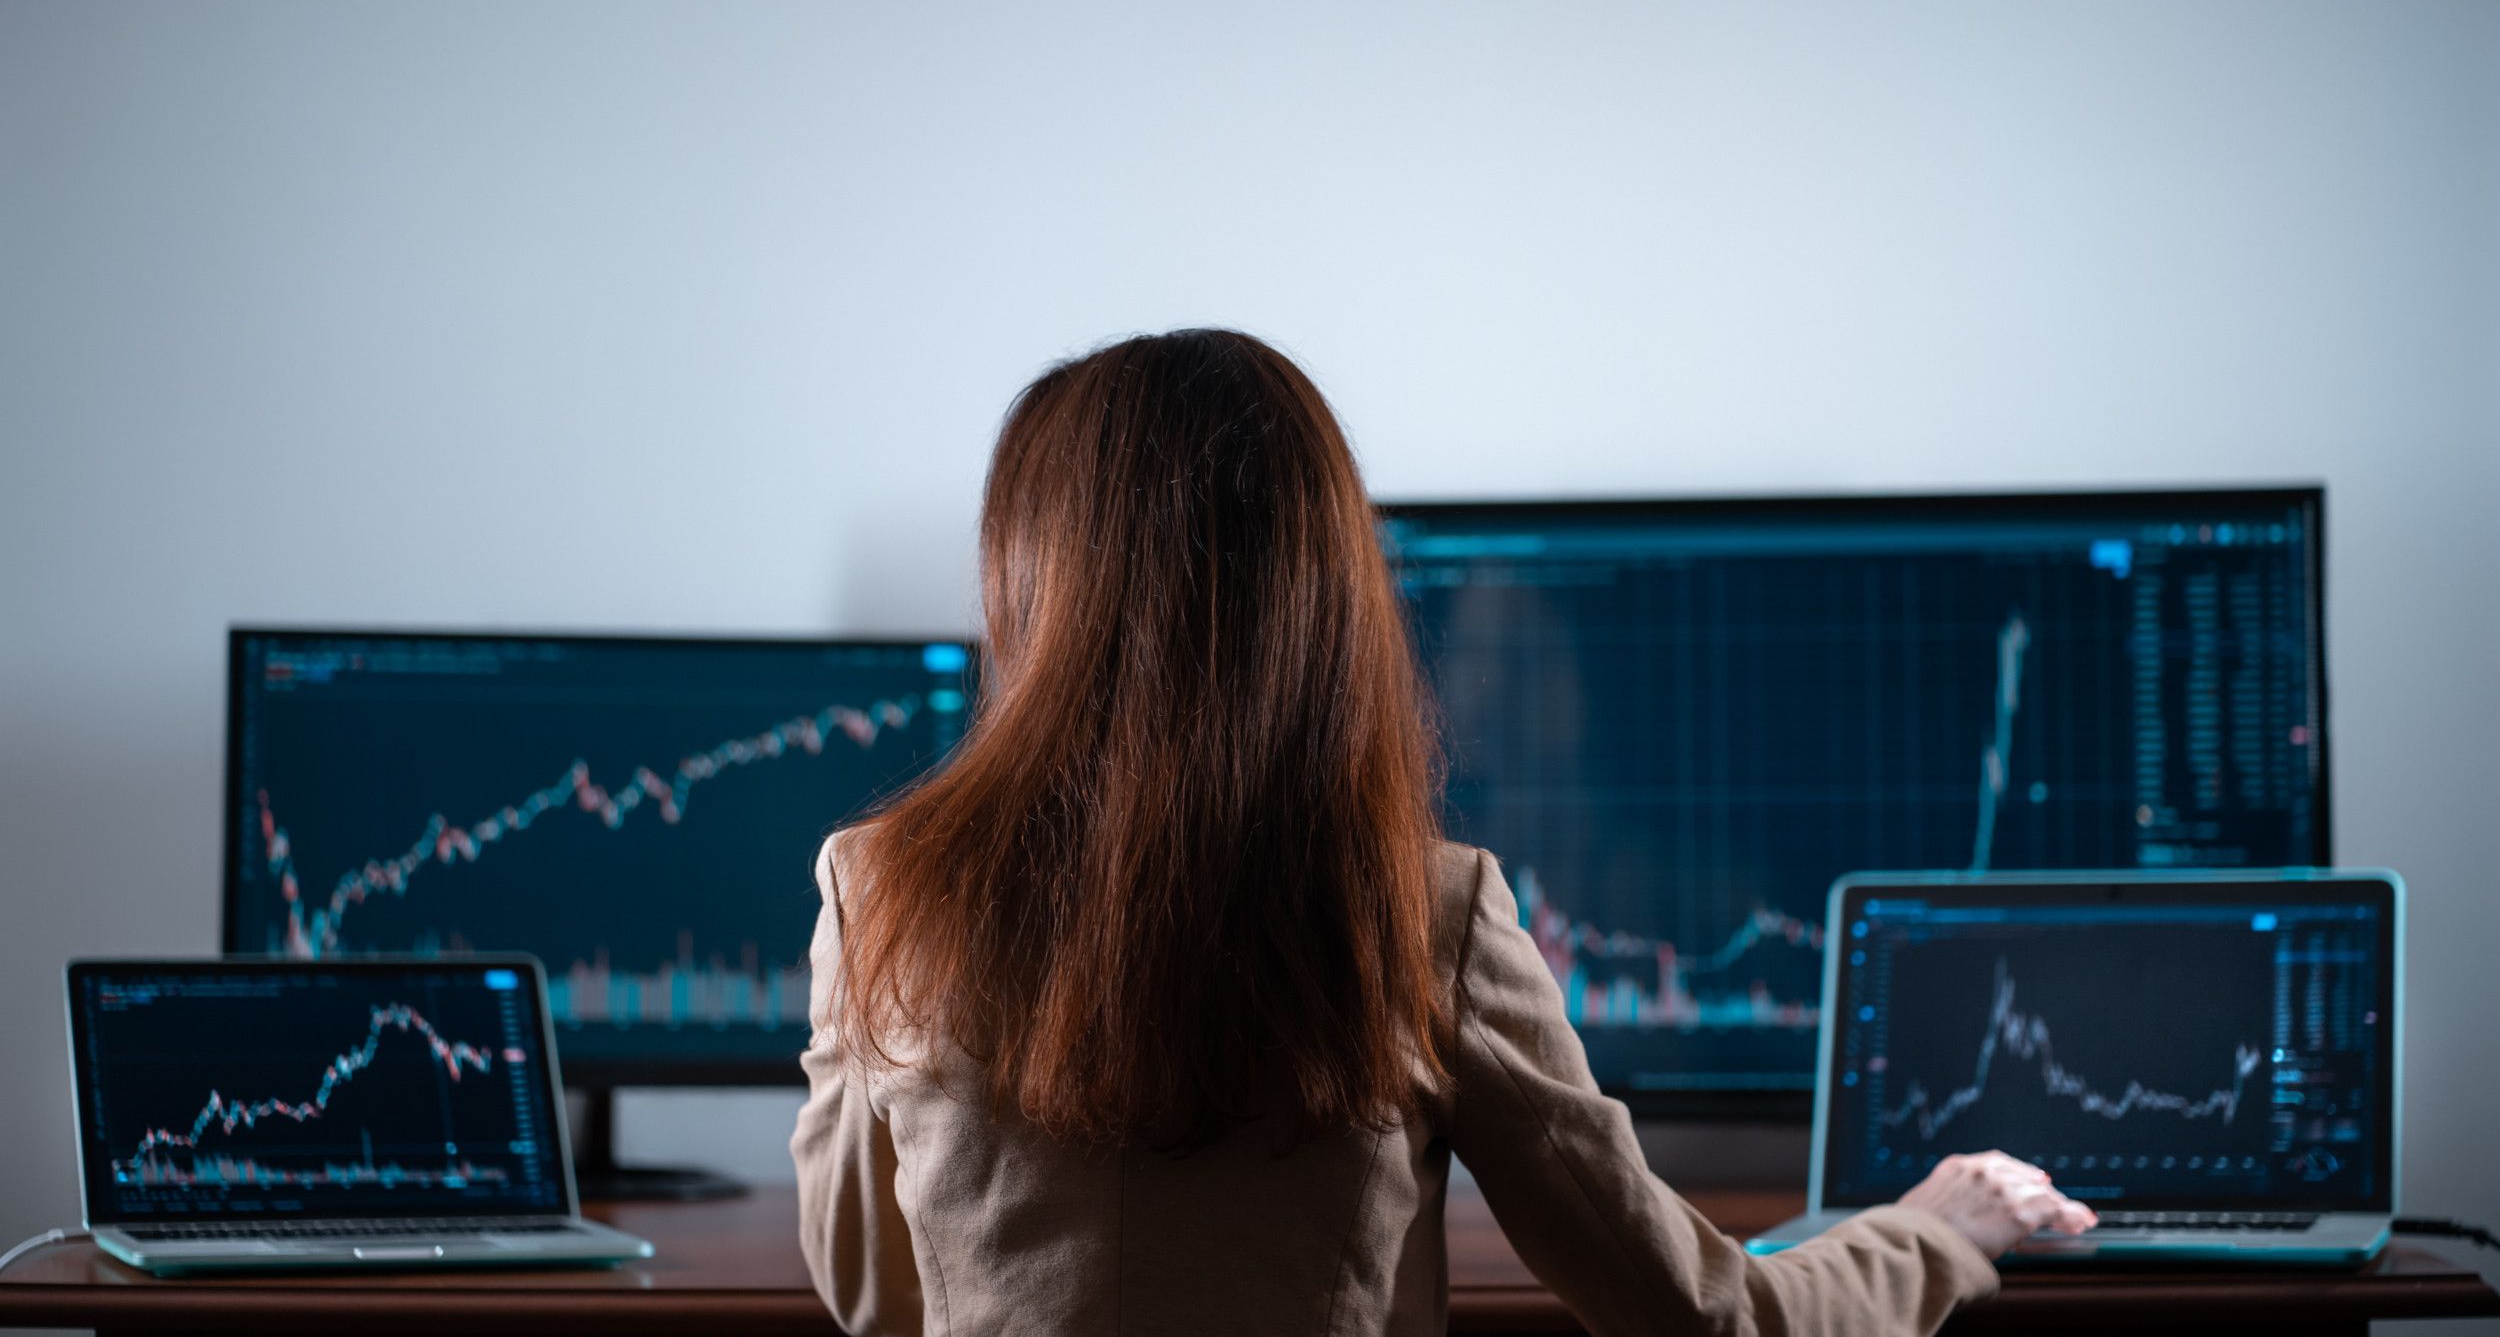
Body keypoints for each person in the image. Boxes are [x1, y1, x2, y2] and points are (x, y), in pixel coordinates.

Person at [791, 328, 2093, 1336]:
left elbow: (867, 1293)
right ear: (1321, 594)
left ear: (1028, 583)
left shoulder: (879, 887)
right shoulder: (1424, 912)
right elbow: (1697, 1316)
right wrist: (1936, 1230)